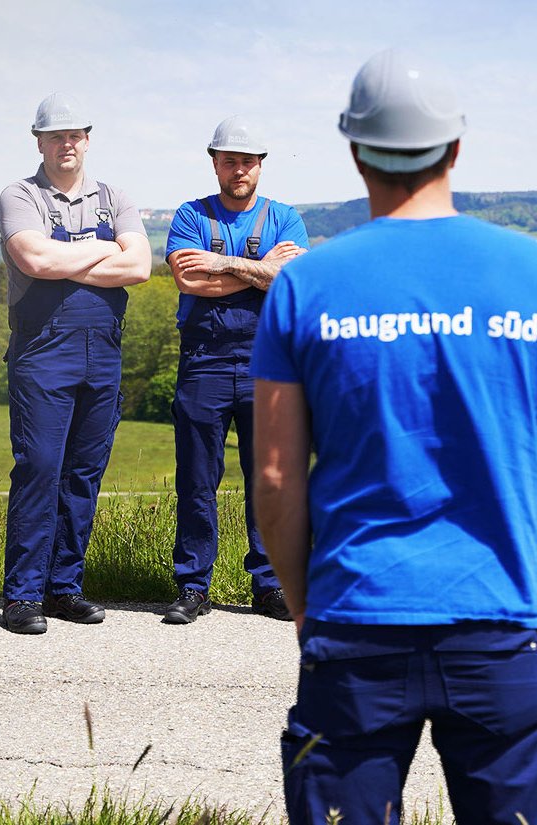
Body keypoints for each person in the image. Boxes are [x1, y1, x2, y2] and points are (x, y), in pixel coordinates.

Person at [251, 48, 537, 825]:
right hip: (500, 624)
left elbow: (275, 477)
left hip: (354, 620)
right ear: (457, 148)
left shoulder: (306, 283)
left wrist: (306, 607)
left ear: (353, 149)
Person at [0, 93, 151, 634]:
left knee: (84, 473)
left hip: (102, 353)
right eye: (56, 135)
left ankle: (64, 587)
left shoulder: (113, 196)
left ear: (87, 138)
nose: (67, 143)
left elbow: (140, 267)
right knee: (39, 467)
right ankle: (22, 595)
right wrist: (104, 250)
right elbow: (34, 259)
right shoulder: (21, 195)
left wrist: (69, 261)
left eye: (75, 135)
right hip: (42, 353)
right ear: (38, 140)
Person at [162, 117, 309, 624]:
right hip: (203, 357)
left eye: (248, 161)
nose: (239, 169)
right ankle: (193, 585)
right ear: (215, 163)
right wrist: (259, 269)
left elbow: (289, 281)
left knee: (267, 477)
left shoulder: (285, 217)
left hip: (267, 360)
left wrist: (222, 265)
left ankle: (269, 585)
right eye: (230, 161)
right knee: (197, 478)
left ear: (260, 165)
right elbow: (188, 278)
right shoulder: (190, 214)